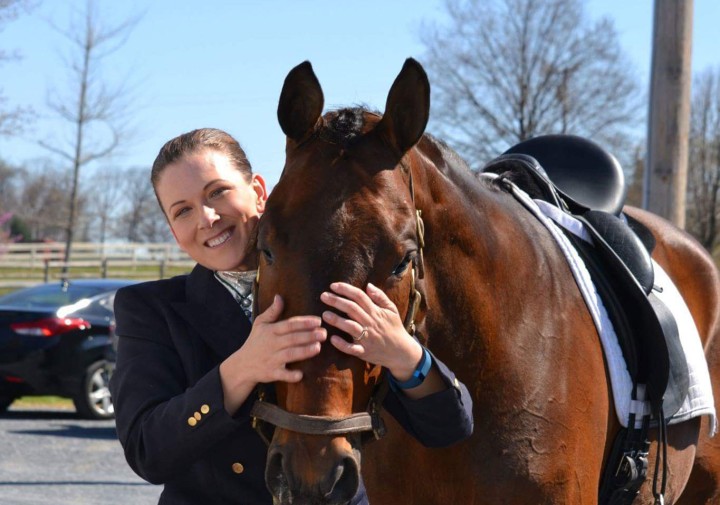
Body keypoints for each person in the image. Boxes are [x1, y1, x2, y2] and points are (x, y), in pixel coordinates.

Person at [110, 128, 473, 505]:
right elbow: (147, 452)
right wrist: (242, 370)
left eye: (217, 192)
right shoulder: (150, 310)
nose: (207, 217)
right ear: (173, 231)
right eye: (182, 210)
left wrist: (403, 355)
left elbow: (449, 428)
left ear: (259, 192)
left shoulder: (333, 286)